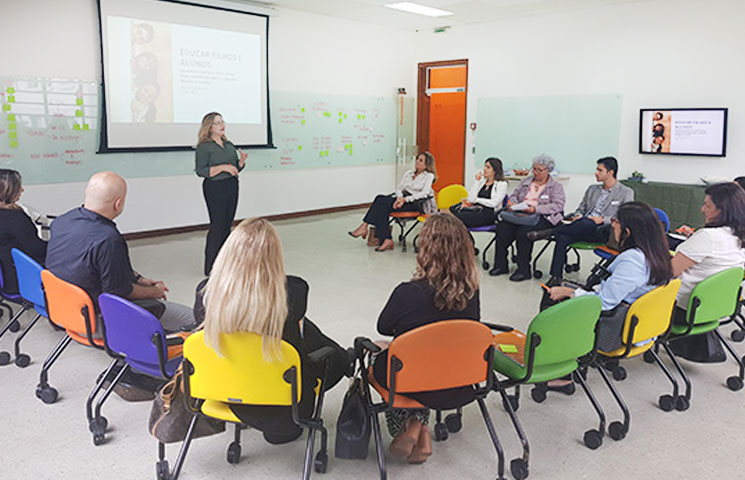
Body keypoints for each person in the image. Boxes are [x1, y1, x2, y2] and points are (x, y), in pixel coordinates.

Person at [197, 218, 350, 444]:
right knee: (320, 345)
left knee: (300, 330)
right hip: (288, 405)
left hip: (228, 393)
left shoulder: (205, 295)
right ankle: (347, 359)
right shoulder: (294, 292)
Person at [373, 214, 480, 464]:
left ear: (425, 249)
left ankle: (412, 424)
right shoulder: (471, 292)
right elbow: (469, 329)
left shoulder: (407, 292)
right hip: (458, 378)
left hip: (411, 379)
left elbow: (384, 326)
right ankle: (420, 426)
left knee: (391, 358)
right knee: (425, 362)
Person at [45, 172, 197, 333]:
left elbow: (102, 267)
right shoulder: (108, 239)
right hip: (95, 321)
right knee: (195, 320)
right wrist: (155, 292)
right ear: (118, 204)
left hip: (61, 310)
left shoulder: (62, 221)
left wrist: (139, 279)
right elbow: (120, 292)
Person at [548, 202, 673, 352]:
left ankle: (558, 358)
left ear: (627, 232)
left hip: (614, 329)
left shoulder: (632, 261)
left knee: (552, 297)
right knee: (565, 288)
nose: (612, 225)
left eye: (616, 221)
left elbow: (604, 303)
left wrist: (570, 293)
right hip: (642, 325)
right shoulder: (659, 253)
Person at [668, 182, 745, 362]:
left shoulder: (708, 237)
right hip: (715, 307)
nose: (702, 209)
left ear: (722, 211)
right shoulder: (739, 237)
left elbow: (668, 272)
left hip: (681, 310)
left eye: (707, 205)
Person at [529, 157, 634, 282]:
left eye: (600, 170)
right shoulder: (592, 189)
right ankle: (556, 277)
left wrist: (602, 219)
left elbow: (625, 217)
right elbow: (581, 208)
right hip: (582, 227)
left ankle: (552, 231)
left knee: (586, 222)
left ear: (610, 173)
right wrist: (578, 215)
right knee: (563, 238)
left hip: (603, 231)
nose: (596, 173)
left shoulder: (626, 192)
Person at [490, 154, 566, 281]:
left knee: (524, 232)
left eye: (539, 170)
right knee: (503, 228)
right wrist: (512, 203)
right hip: (520, 214)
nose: (535, 172)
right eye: (534, 168)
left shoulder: (556, 186)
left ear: (548, 170)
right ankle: (501, 265)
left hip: (543, 217)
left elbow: (558, 205)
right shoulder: (526, 181)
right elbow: (514, 195)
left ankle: (524, 270)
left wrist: (535, 209)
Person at [348, 152, 437, 252]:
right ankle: (386, 239)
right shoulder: (409, 173)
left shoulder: (429, 176)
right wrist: (399, 199)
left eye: (420, 160)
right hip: (402, 200)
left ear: (427, 164)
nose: (417, 162)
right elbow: (399, 188)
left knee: (380, 199)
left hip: (415, 204)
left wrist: (404, 200)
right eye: (417, 159)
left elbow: (424, 193)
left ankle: (365, 226)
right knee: (381, 206)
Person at [195, 112, 247, 275]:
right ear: (209, 127)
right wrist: (223, 167)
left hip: (231, 185)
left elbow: (234, 169)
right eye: (217, 123)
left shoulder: (229, 145)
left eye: (222, 121)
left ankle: (226, 263)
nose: (222, 125)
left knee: (227, 225)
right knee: (217, 226)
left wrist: (240, 163)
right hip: (215, 188)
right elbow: (201, 170)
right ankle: (210, 267)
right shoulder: (204, 147)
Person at [0, 169, 47, 294]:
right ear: (8, 191)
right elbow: (37, 249)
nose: (22, 190)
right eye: (19, 186)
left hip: (5, 279)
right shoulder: (14, 217)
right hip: (19, 281)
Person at [449, 157, 508, 228]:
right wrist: (477, 181)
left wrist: (477, 200)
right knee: (454, 210)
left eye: (488, 167)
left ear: (495, 170)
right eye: (485, 166)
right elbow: (470, 198)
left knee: (458, 218)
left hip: (489, 213)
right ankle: (464, 237)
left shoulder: (502, 184)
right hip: (476, 209)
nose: (484, 169)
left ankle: (462, 237)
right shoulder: (482, 181)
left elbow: (494, 203)